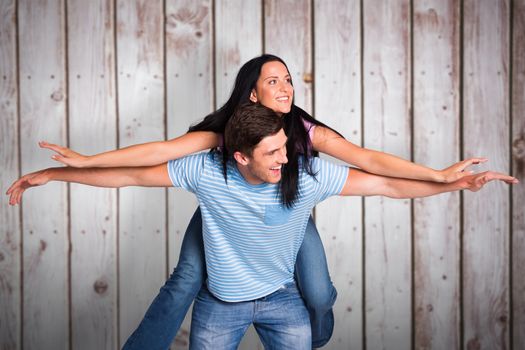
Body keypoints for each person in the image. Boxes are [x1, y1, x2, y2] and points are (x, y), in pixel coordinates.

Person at [35, 54, 487, 349]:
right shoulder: (222, 141)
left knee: (316, 289)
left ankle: (316, 323)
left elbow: (373, 168)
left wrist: (442, 176)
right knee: (189, 275)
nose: (287, 87)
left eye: (289, 79)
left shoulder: (305, 141)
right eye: (275, 81)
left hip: (291, 204)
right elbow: (151, 158)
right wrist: (78, 164)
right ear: (253, 94)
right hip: (227, 202)